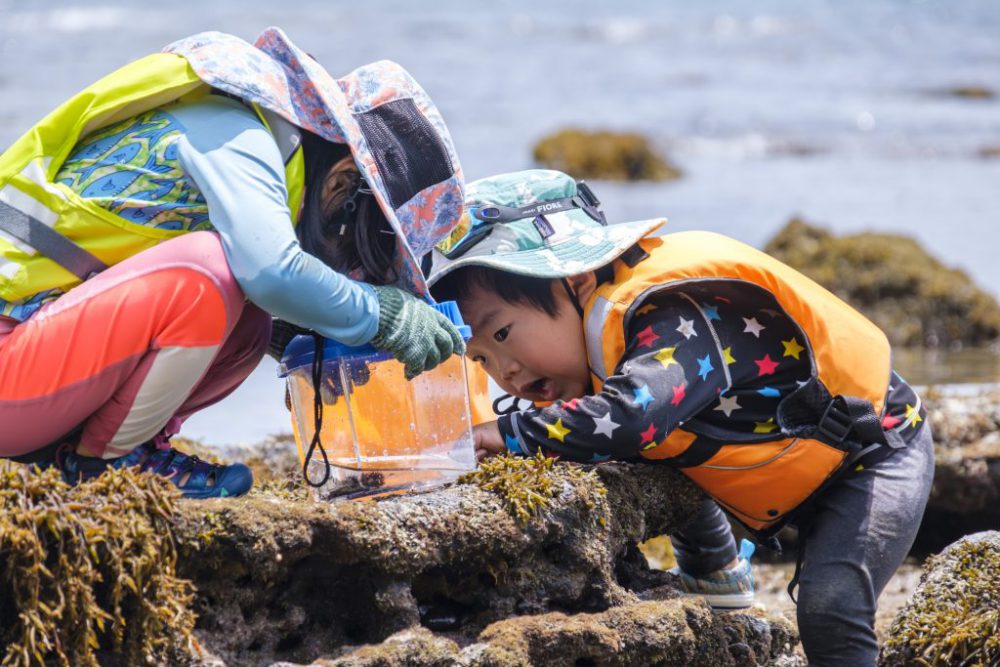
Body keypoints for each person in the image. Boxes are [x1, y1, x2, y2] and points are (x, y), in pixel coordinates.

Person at [427, 169, 934, 666]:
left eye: (500, 335)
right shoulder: (601, 345)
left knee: (830, 605)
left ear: (576, 279)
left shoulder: (673, 316)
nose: (505, 372)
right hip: (773, 452)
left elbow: (630, 420)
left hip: (872, 456)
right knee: (647, 451)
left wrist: (510, 433)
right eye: (480, 359)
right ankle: (719, 578)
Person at [0, 28, 466, 499]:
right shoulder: (236, 133)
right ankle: (109, 463)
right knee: (210, 271)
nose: (351, 273)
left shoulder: (261, 147)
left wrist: (308, 327)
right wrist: (377, 315)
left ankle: (99, 450)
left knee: (249, 322)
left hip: (33, 381)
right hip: (10, 374)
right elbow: (271, 271)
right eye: (357, 254)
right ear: (342, 184)